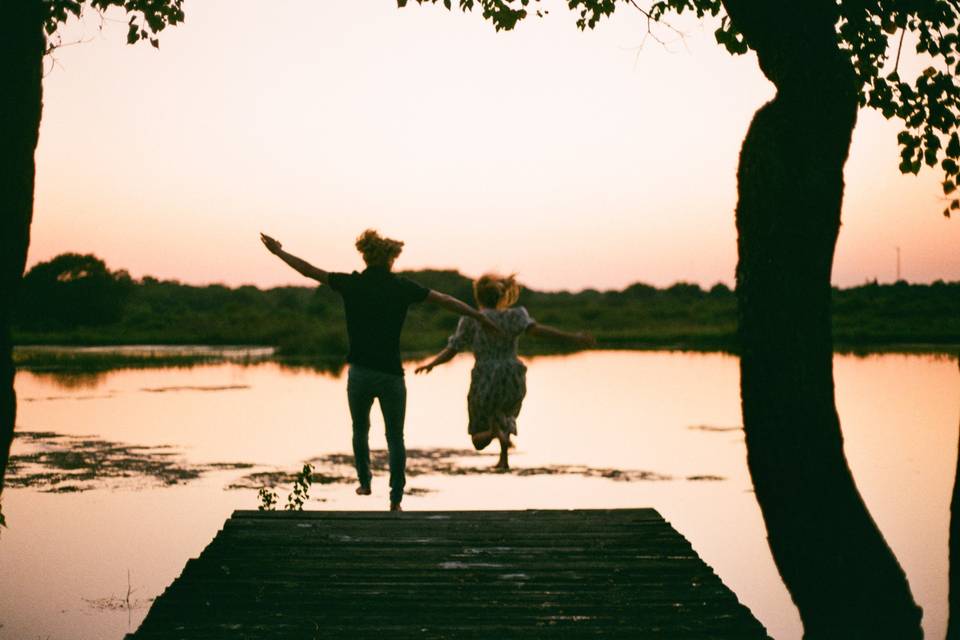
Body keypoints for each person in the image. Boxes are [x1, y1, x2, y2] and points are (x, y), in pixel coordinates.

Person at [260, 229, 499, 511]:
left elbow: (308, 271)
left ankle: (365, 481)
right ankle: (395, 500)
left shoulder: (351, 284)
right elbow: (445, 300)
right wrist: (477, 316)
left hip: (360, 373)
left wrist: (278, 252)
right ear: (390, 259)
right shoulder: (401, 287)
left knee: (360, 429)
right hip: (391, 376)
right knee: (395, 437)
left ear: (365, 256)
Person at [416, 273, 594, 471]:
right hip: (512, 374)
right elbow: (540, 331)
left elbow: (453, 349)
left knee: (478, 439)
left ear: (478, 296)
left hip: (485, 375)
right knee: (505, 414)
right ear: (500, 296)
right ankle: (503, 458)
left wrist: (432, 363)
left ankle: (492, 433)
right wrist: (573, 338)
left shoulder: (472, 319)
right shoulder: (515, 316)